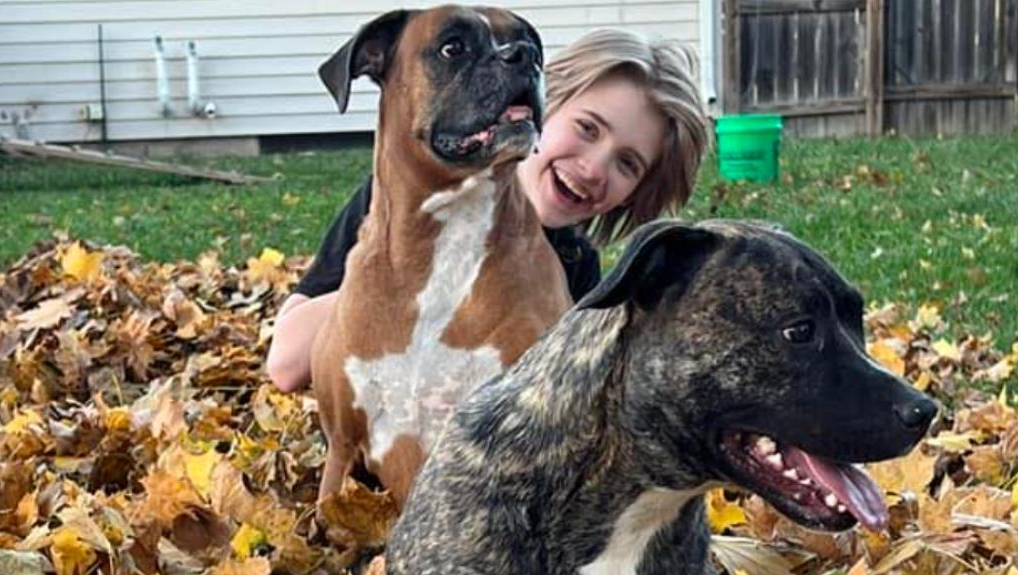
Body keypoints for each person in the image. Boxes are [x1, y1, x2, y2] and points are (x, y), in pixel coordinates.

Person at [267, 28, 710, 392]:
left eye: (627, 163)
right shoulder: (399, 204)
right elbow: (287, 364)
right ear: (541, 102)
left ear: (636, 193)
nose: (595, 168)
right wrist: (423, 275)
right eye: (587, 128)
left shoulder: (575, 271)